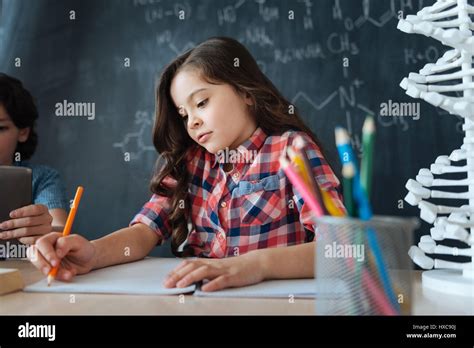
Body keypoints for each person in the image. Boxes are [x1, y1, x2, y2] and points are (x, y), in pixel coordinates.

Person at [28, 37, 345, 292]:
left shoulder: (292, 149)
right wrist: (92, 253)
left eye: (202, 102)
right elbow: (144, 231)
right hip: (204, 304)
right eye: (184, 114)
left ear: (246, 92)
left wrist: (254, 265)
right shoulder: (192, 162)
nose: (192, 122)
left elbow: (339, 250)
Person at [0, 73, 68, 246]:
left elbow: (60, 229)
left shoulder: (41, 178)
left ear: (23, 132)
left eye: (0, 128)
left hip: (22, 269)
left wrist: (47, 232)